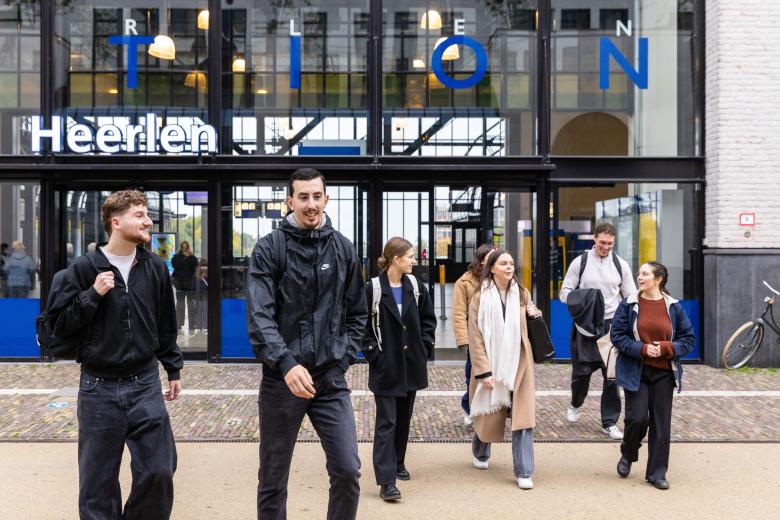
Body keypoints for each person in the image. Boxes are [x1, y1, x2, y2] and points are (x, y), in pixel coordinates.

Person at [50, 190, 182, 519]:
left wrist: (173, 368)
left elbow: (165, 323)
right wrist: (92, 295)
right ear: (116, 221)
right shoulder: (83, 269)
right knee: (98, 485)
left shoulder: (154, 267)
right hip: (99, 389)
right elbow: (59, 327)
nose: (148, 220)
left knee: (159, 471)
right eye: (140, 214)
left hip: (145, 385)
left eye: (147, 214)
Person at [246, 168, 367, 520]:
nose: (311, 204)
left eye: (317, 196)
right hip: (282, 381)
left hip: (329, 381)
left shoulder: (343, 248)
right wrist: (286, 364)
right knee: (273, 478)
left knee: (347, 470)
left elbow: (357, 313)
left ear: (326, 199)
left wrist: (342, 358)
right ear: (290, 201)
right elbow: (259, 317)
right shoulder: (270, 248)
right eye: (303, 197)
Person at [362, 237, 436, 501]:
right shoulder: (372, 288)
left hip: (411, 364)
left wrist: (426, 345)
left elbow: (429, 319)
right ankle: (386, 482)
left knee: (403, 419)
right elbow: (361, 324)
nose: (413, 261)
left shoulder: (416, 286)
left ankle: (398, 463)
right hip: (386, 366)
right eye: (410, 256)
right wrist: (373, 354)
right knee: (387, 421)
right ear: (396, 259)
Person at [610, 261, 695, 490]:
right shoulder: (628, 305)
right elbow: (617, 336)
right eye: (639, 273)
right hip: (636, 370)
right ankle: (628, 452)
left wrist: (667, 348)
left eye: (645, 274)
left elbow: (688, 340)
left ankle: (657, 473)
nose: (640, 277)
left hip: (664, 373)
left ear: (658, 280)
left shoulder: (674, 307)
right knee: (637, 418)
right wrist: (643, 349)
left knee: (660, 423)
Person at [468, 249, 541, 490]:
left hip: (519, 362)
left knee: (522, 419)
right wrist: (484, 371)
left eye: (511, 263)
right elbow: (475, 336)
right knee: (488, 411)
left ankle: (524, 471)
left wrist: (534, 313)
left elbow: (532, 318)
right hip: (491, 362)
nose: (509, 267)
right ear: (492, 267)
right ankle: (480, 451)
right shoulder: (480, 296)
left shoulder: (522, 293)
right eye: (503, 263)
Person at [559, 222, 636, 439]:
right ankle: (576, 403)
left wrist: (628, 323)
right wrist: (584, 299)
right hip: (585, 327)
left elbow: (631, 298)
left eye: (610, 244)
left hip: (611, 327)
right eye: (602, 242)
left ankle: (609, 422)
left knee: (611, 377)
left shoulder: (621, 265)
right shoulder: (580, 263)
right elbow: (564, 293)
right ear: (594, 239)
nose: (605, 247)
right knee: (581, 374)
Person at [452, 244, 494, 426]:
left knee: (492, 376)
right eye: (491, 257)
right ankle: (469, 406)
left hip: (495, 337)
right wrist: (463, 340)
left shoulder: (498, 278)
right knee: (473, 376)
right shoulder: (464, 282)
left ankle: (488, 409)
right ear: (481, 260)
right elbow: (459, 313)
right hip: (476, 338)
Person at [171, 240, 199, 333]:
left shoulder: (190, 258)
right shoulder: (179, 257)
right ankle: (181, 324)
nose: (184, 249)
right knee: (181, 304)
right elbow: (175, 265)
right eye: (183, 247)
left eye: (185, 247)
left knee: (187, 304)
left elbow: (195, 267)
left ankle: (189, 324)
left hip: (185, 282)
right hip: (182, 283)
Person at [193, 261, 208, 333]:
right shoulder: (198, 275)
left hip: (199, 295)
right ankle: (203, 326)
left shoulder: (197, 275)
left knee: (199, 311)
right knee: (203, 311)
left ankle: (199, 326)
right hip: (203, 295)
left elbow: (194, 286)